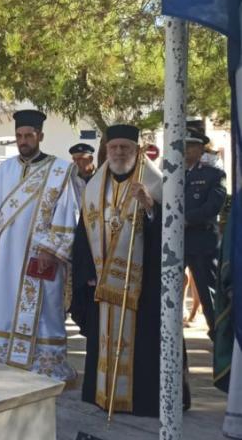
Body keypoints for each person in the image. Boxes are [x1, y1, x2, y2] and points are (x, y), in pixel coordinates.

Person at [70, 124, 190, 416]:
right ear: (106, 150)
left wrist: (150, 207)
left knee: (145, 345)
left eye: (125, 147)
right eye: (113, 147)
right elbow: (83, 234)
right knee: (103, 340)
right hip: (103, 282)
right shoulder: (94, 187)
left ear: (137, 150)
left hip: (143, 285)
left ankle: (143, 401)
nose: (119, 152)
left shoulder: (156, 183)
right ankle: (103, 394)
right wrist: (87, 273)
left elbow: (173, 235)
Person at [0, 109, 80, 381]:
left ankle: (44, 367)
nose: (23, 141)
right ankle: (0, 361)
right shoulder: (5, 169)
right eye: (19, 136)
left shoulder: (60, 170)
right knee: (4, 304)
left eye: (29, 136)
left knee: (45, 309)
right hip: (8, 255)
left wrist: (50, 248)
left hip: (41, 255)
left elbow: (67, 210)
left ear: (40, 136)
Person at [183, 124, 226, 340]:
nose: (186, 150)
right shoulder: (171, 175)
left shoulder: (213, 175)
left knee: (208, 294)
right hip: (175, 244)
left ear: (201, 150)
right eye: (183, 146)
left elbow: (213, 207)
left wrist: (185, 219)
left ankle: (219, 339)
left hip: (201, 243)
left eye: (191, 146)